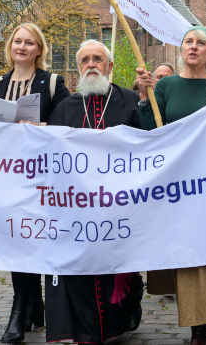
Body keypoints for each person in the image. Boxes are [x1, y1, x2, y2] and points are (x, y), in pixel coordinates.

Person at [135, 26, 206, 345]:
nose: (193, 47)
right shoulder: (166, 85)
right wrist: (144, 99)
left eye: (201, 43)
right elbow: (152, 133)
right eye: (188, 42)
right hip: (176, 187)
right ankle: (194, 313)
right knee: (183, 255)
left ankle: (200, 327)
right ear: (181, 48)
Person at [45, 40, 144, 343]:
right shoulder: (65, 108)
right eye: (85, 60)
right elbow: (49, 153)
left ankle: (121, 318)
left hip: (119, 206)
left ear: (109, 66)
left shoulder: (129, 101)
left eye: (97, 59)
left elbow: (149, 147)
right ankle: (86, 331)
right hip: (78, 209)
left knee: (117, 271)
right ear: (78, 68)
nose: (91, 64)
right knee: (82, 273)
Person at [0, 22, 70, 343]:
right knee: (17, 239)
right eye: (17, 41)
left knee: (32, 237)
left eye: (29, 42)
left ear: (39, 49)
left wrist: (44, 126)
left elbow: (67, 122)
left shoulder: (52, 83)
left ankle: (20, 311)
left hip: (40, 174)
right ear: (10, 46)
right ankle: (32, 304)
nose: (22, 46)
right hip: (7, 173)